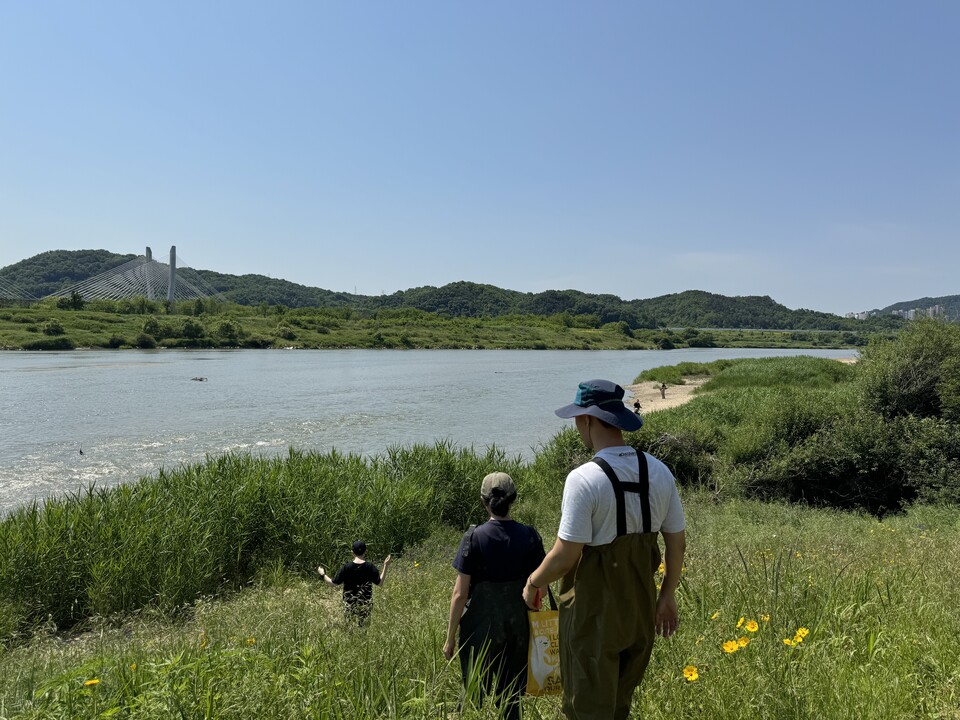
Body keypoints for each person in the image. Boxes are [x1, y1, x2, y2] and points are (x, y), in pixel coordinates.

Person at [522, 379, 686, 720]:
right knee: (619, 705)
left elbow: (565, 557)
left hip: (593, 619)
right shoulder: (659, 472)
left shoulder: (583, 479)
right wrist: (667, 595)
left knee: (587, 709)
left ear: (587, 420)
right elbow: (676, 542)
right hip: (640, 611)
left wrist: (534, 583)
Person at [443, 472, 546, 720]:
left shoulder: (474, 537)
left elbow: (460, 593)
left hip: (480, 630)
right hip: (518, 628)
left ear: (483, 500)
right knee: (511, 695)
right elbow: (541, 587)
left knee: (473, 691)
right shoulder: (529, 536)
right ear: (514, 499)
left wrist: (449, 639)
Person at [318, 540, 391, 626]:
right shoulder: (370, 567)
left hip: (349, 603)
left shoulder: (346, 567)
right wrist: (386, 566)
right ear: (365, 551)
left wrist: (322, 574)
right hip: (365, 603)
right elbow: (380, 583)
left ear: (352, 552)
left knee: (350, 628)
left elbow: (333, 583)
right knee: (364, 629)